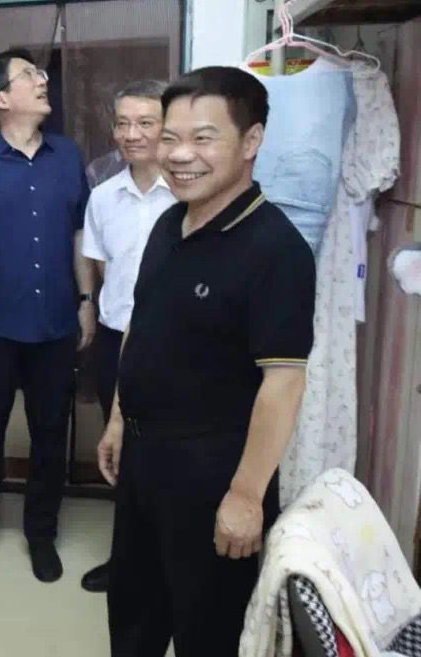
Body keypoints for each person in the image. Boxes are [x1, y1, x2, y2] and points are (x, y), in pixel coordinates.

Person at [98, 67, 316, 656]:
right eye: (170, 138)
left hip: (212, 472)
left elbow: (284, 383)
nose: (179, 155)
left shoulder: (276, 250)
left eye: (203, 138)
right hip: (144, 458)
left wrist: (246, 496)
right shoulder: (169, 222)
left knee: (209, 631)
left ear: (251, 141)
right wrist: (118, 418)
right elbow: (141, 325)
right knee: (134, 616)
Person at [0, 48, 96, 583]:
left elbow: (79, 235)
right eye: (29, 75)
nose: (42, 80)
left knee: (50, 436)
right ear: (2, 98)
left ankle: (41, 535)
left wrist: (86, 300)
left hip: (54, 324)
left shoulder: (67, 157)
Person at [79, 80, 176, 594]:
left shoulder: (190, 195)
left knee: (169, 456)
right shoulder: (102, 197)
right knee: (121, 452)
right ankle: (128, 562)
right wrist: (93, 311)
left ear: (168, 127)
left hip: (176, 346)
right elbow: (100, 266)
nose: (131, 134)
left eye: (145, 123)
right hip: (116, 338)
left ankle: (168, 566)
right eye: (123, 123)